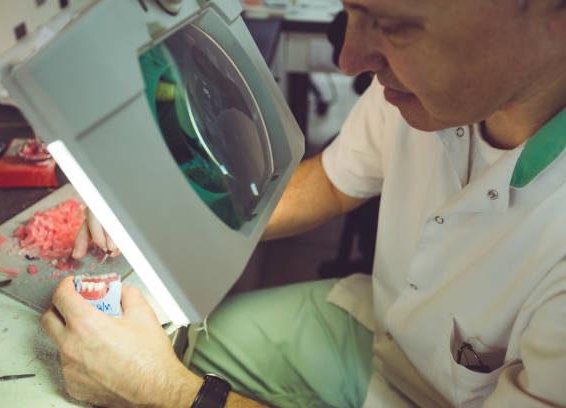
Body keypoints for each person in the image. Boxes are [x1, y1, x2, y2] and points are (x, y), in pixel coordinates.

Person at [40, 0, 566, 407]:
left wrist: (169, 391)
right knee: (201, 343)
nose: (348, 59)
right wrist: (154, 215)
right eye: (352, 11)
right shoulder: (431, 94)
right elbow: (334, 184)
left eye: (396, 25)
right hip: (382, 328)